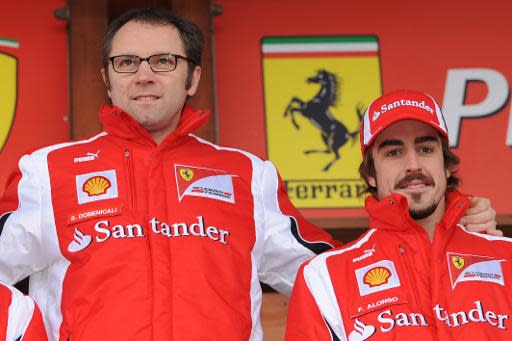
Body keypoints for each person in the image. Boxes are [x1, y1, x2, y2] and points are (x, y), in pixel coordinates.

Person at [0, 9, 498, 341]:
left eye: (164, 61)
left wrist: (451, 234)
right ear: (106, 78)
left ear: (193, 76)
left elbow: (335, 275)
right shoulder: (48, 172)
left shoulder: (247, 176)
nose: (144, 75)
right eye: (127, 62)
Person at [285, 89, 512, 340]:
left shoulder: (506, 258)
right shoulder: (325, 277)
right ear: (370, 174)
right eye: (394, 152)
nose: (413, 165)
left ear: (446, 166)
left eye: (426, 149)